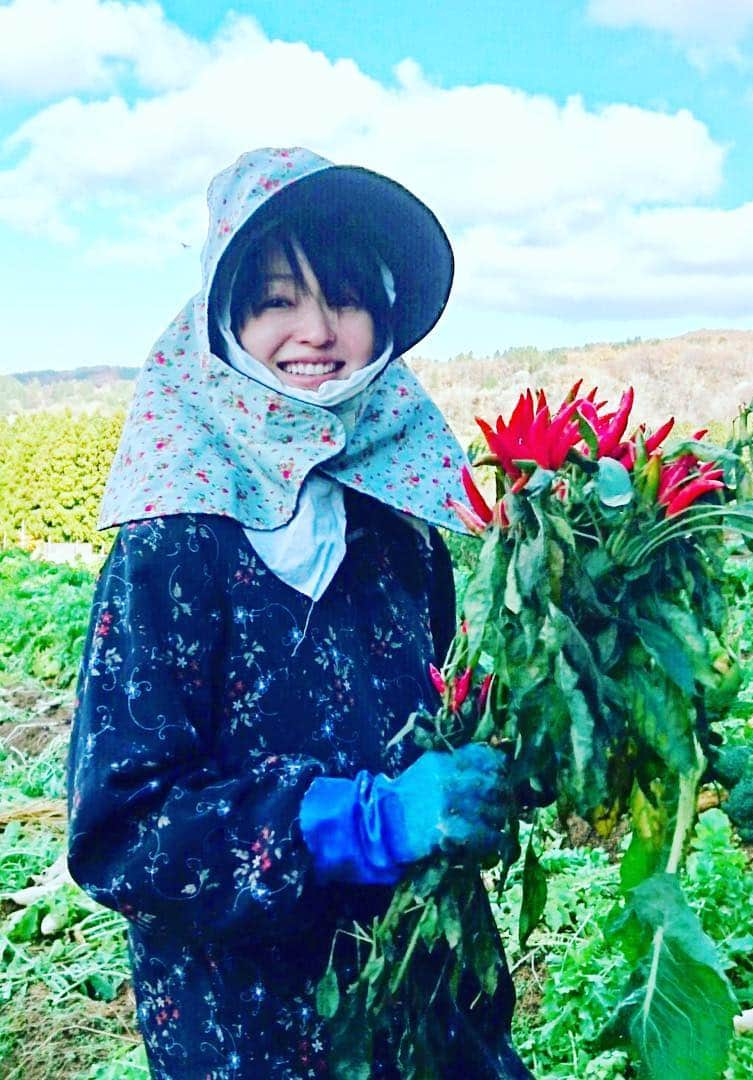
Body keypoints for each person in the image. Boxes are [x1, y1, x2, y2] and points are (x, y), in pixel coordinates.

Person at [66, 147, 530, 1078]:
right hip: (249, 1031)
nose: (317, 330)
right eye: (277, 299)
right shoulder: (176, 539)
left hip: (426, 994)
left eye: (348, 298)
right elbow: (121, 834)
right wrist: (363, 824)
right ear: (225, 317)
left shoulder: (402, 519)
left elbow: (445, 715)